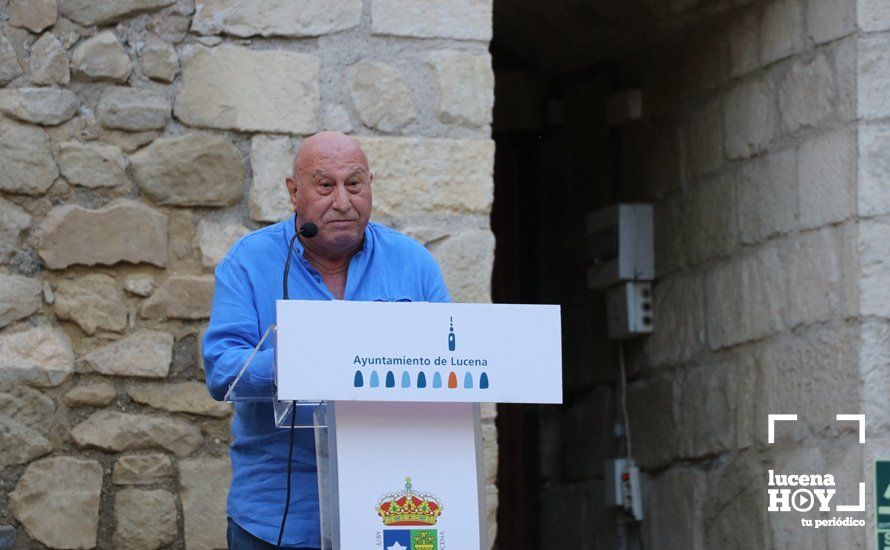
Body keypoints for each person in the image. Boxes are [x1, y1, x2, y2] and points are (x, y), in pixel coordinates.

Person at [202, 131, 451, 549]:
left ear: (370, 185)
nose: (342, 201)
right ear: (294, 192)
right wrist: (298, 355)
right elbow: (223, 372)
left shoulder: (414, 264)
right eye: (324, 186)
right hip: (276, 518)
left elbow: (450, 360)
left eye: (354, 184)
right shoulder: (249, 262)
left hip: (387, 512)